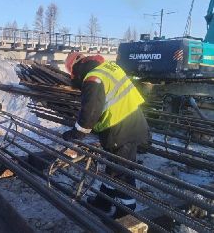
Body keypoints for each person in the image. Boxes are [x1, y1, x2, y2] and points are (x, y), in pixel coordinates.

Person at [62, 52, 149, 218]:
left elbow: (90, 113)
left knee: (122, 172)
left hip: (121, 129)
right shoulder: (107, 67)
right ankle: (104, 201)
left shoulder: (93, 79)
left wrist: (76, 133)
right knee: (113, 167)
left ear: (74, 70)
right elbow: (109, 102)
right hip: (131, 122)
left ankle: (125, 212)